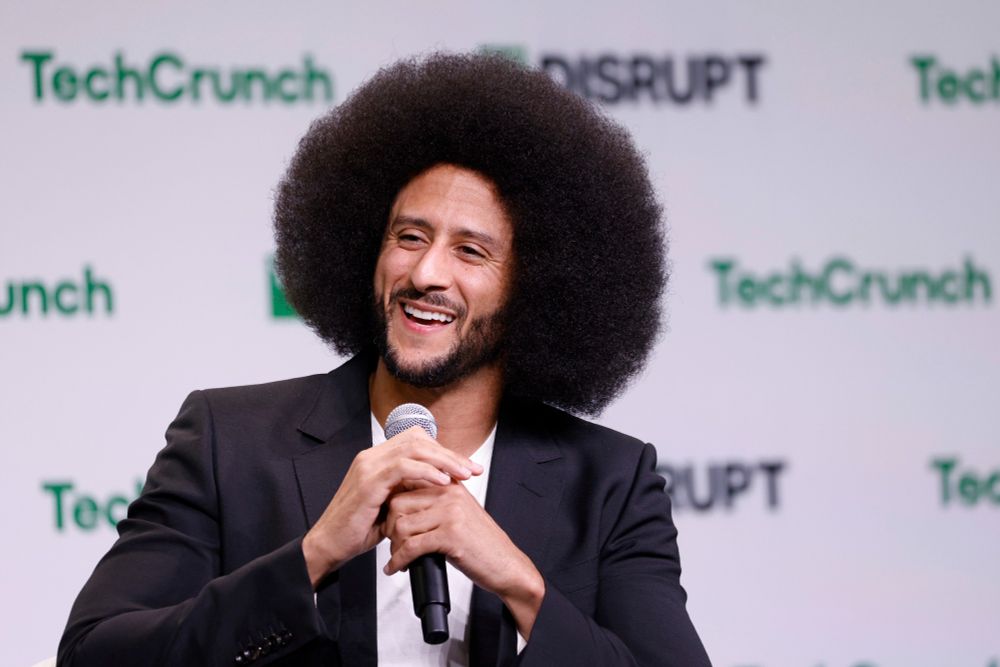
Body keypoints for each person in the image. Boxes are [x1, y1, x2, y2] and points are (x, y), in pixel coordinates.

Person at [58, 53, 711, 666]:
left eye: (471, 251)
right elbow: (93, 652)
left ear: (536, 288)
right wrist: (312, 554)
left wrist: (520, 583)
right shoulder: (228, 441)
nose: (426, 272)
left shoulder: (611, 482)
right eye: (409, 236)